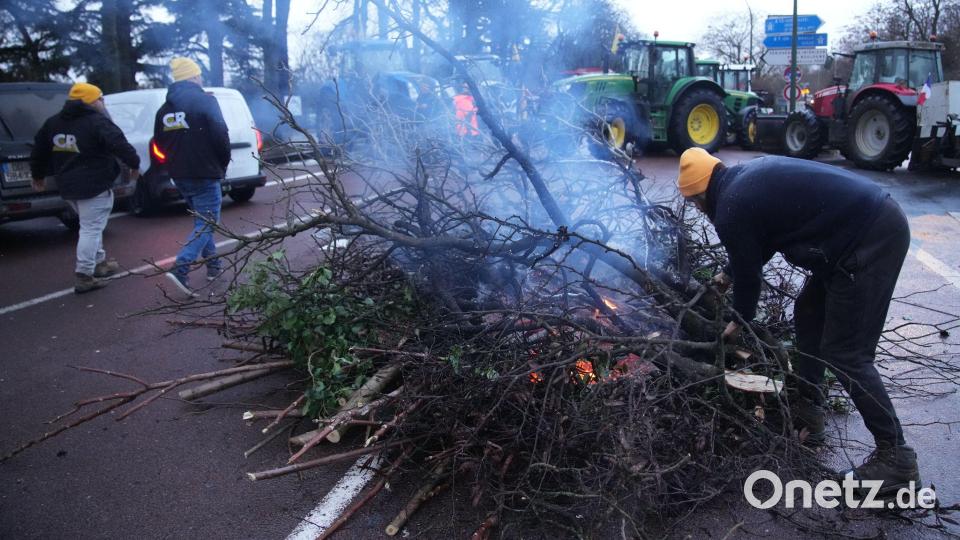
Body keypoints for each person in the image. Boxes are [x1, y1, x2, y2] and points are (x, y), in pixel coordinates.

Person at [677, 148, 919, 494]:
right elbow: (760, 241)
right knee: (807, 313)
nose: (698, 210)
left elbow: (751, 278)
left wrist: (738, 323)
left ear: (700, 196)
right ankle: (809, 410)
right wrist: (726, 275)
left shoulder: (728, 208)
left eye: (695, 203)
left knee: (847, 354)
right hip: (865, 228)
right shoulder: (740, 183)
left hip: (870, 238)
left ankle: (896, 456)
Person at [30, 82, 140, 294]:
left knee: (91, 224)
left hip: (68, 185)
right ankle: (84, 274)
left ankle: (99, 263)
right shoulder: (97, 122)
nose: (103, 103)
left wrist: (38, 175)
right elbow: (120, 144)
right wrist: (135, 164)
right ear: (91, 101)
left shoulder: (53, 123)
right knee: (90, 228)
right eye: (100, 99)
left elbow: (39, 151)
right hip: (94, 184)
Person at [154, 57, 231, 296]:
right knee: (207, 223)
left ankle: (214, 265)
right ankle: (181, 267)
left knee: (201, 221)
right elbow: (221, 134)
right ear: (194, 77)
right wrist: (222, 163)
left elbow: (158, 143)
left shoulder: (164, 109)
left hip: (180, 175)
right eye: (199, 75)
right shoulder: (205, 101)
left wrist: (173, 164)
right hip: (205, 172)